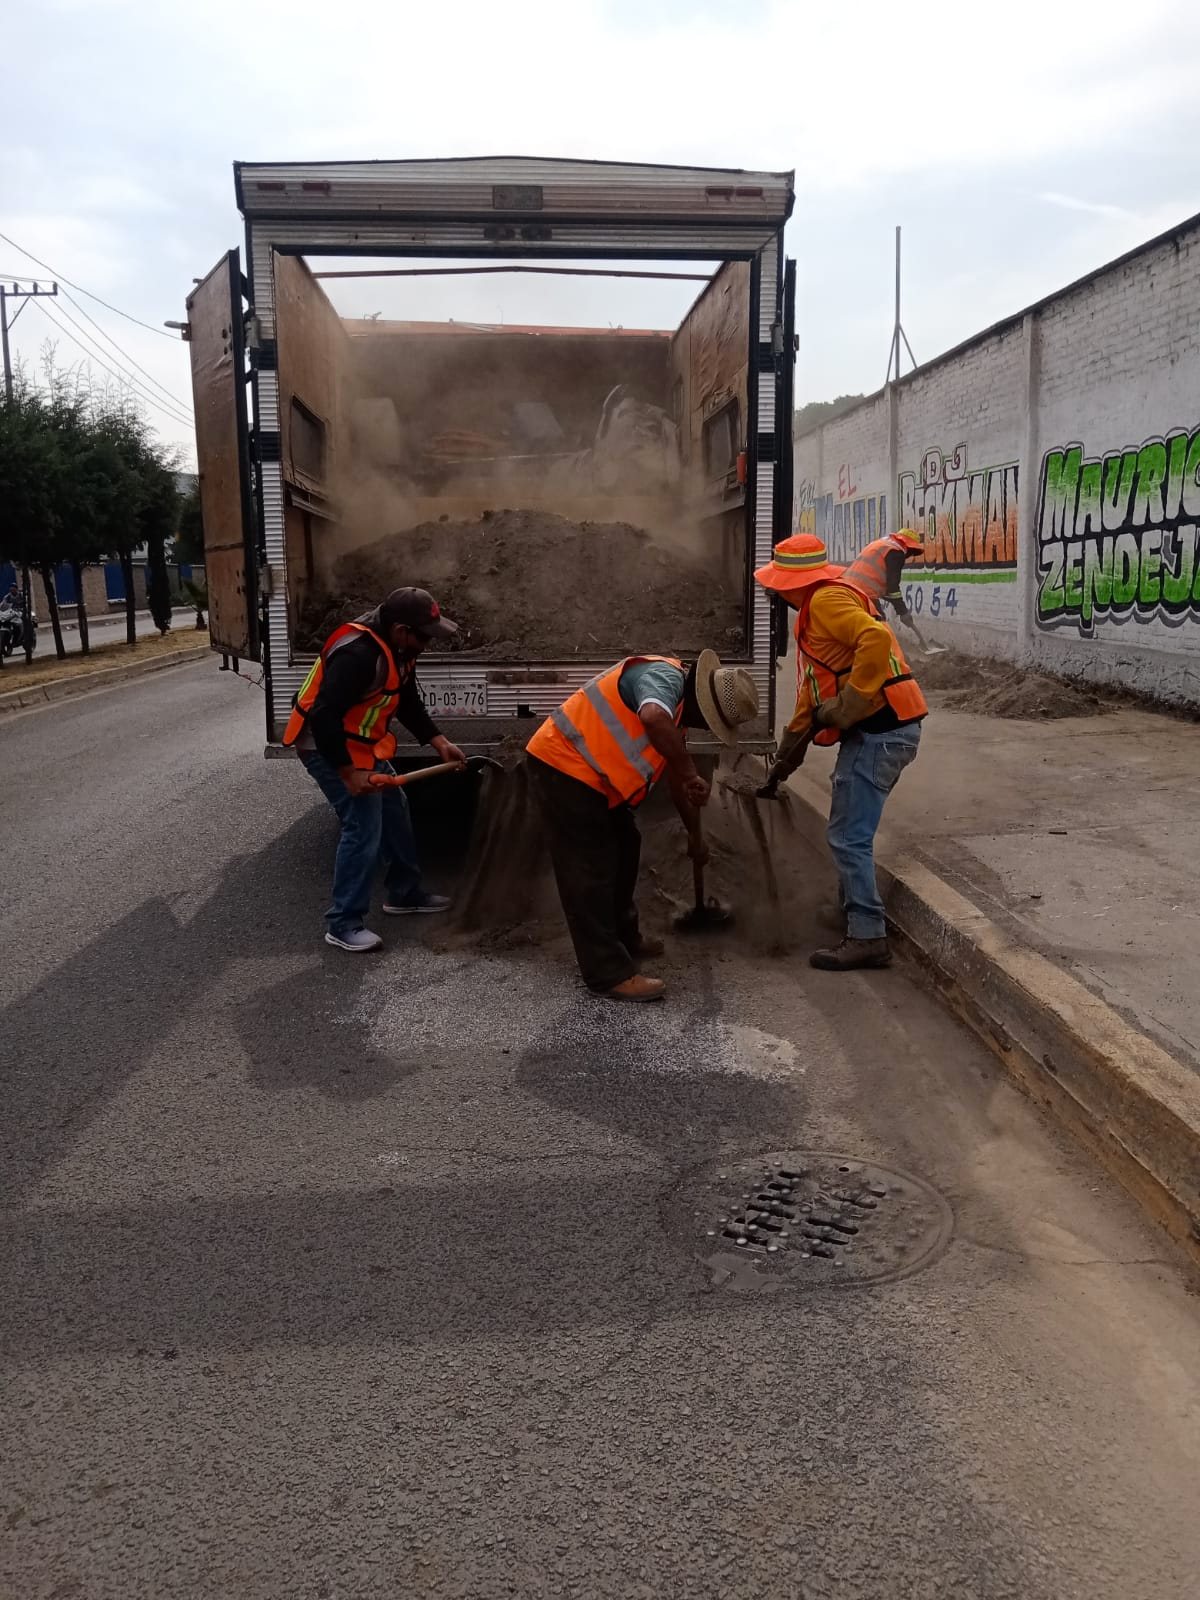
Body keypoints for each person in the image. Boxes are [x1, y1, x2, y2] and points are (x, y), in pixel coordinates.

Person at [526, 651, 759, 1002]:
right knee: (589, 870)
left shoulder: (675, 713)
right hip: (563, 766)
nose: (705, 727)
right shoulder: (665, 680)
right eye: (711, 721)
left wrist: (696, 839)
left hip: (594, 781)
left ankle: (624, 936)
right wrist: (688, 770)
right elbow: (652, 720)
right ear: (704, 703)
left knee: (626, 844)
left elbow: (678, 784)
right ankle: (607, 973)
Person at [755, 533, 928, 972]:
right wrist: (782, 767)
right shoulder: (823, 606)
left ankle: (868, 936)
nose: (775, 594)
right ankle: (851, 910)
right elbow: (808, 705)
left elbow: (875, 638)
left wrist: (852, 702)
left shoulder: (826, 603)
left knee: (849, 837)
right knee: (847, 826)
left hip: (881, 730)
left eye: (777, 587)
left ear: (791, 583)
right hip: (884, 729)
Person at [283, 587, 467, 953]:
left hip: (358, 743)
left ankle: (403, 892)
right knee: (363, 822)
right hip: (324, 744)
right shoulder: (359, 655)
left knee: (394, 806)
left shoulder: (400, 649)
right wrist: (349, 774)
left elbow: (406, 699)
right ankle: (343, 922)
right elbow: (323, 717)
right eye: (425, 636)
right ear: (401, 630)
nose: (428, 644)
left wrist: (438, 741)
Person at [839, 529, 925, 637]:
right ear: (908, 547)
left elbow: (876, 579)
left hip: (848, 588)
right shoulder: (896, 553)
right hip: (865, 594)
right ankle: (888, 653)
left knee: (861, 630)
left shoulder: (881, 544)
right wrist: (903, 611)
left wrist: (897, 605)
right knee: (881, 631)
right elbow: (893, 587)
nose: (910, 556)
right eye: (912, 552)